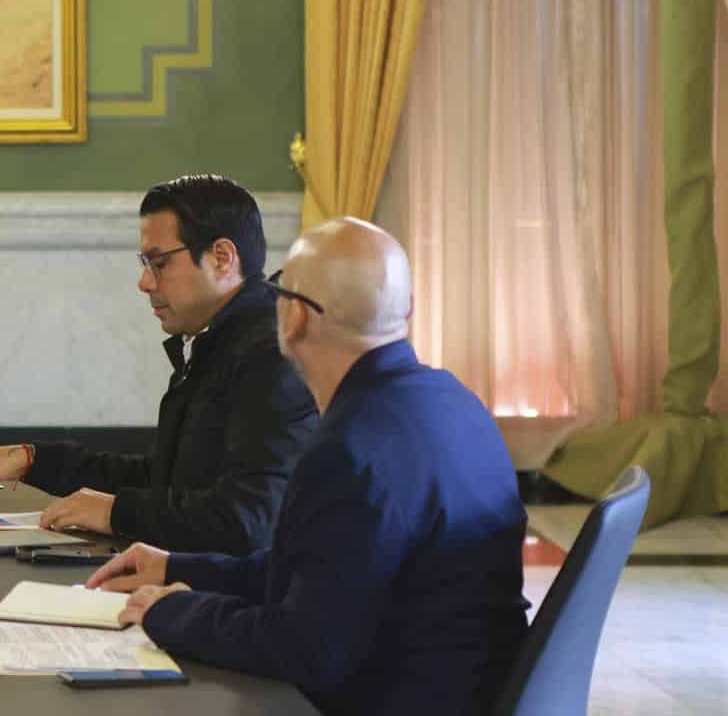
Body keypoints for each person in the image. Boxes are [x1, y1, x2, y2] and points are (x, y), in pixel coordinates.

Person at [88, 217, 529, 716]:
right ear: (405, 309)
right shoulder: (456, 401)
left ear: (294, 316)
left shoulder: (348, 451)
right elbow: (319, 569)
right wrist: (178, 567)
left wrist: (172, 611)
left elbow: (304, 650)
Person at [0, 175, 318, 553]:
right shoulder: (220, 339)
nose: (144, 282)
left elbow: (248, 520)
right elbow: (165, 481)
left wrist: (115, 513)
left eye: (159, 263)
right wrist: (33, 461)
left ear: (221, 258)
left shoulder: (273, 355)